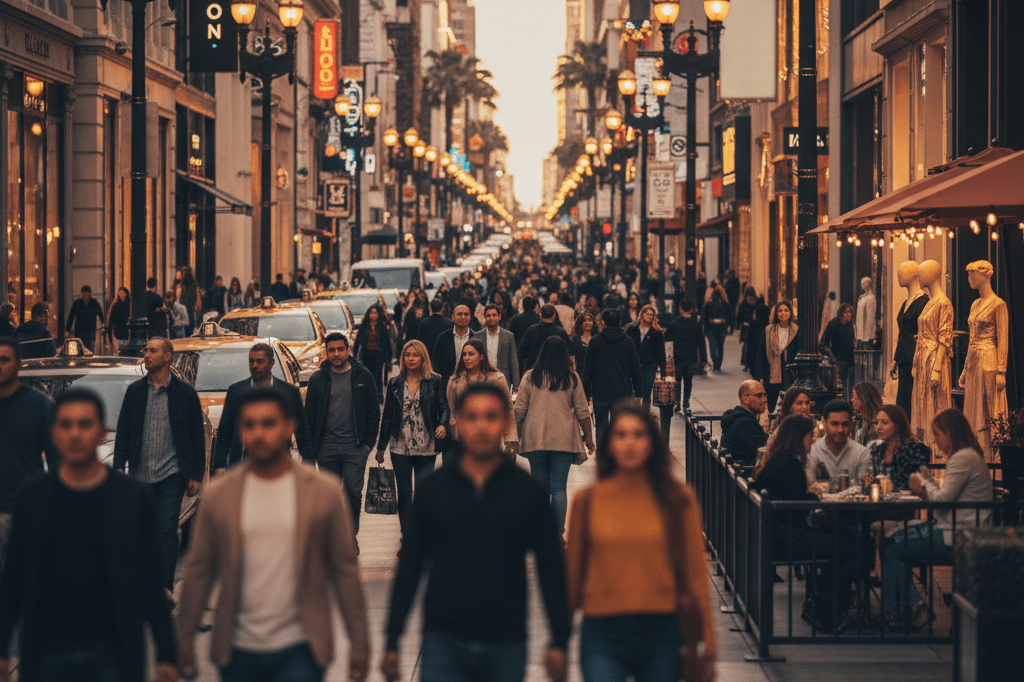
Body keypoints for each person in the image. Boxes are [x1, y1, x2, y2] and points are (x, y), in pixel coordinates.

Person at [380, 383, 570, 682]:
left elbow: (550, 568)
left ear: (506, 423)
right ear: (459, 423)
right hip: (443, 637)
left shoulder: (528, 493)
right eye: (472, 417)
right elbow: (411, 565)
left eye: (491, 416)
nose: (482, 426)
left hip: (506, 638)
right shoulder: (434, 490)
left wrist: (559, 639)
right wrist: (392, 639)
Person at [177, 387, 369, 682]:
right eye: (249, 425)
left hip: (301, 647)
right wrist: (184, 639)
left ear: (288, 428)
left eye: (268, 423)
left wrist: (359, 643)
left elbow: (344, 570)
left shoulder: (322, 492)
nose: (258, 434)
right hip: (237, 648)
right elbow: (200, 570)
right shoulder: (219, 495)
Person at [0, 389, 177, 682]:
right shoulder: (32, 498)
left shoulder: (132, 497)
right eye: (65, 425)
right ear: (54, 433)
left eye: (84, 424)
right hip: (46, 650)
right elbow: (14, 580)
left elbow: (150, 578)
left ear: (101, 431)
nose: (74, 434)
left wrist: (166, 654)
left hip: (112, 649)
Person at [566, 401, 716, 682]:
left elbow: (696, 576)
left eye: (639, 434)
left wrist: (708, 643)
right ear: (609, 443)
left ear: (652, 443)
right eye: (620, 435)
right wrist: (559, 642)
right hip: (602, 629)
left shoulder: (678, 500)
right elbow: (573, 575)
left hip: (661, 628)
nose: (629, 443)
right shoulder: (587, 501)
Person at [751, 414, 861, 634]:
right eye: (810, 436)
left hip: (778, 534)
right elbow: (799, 505)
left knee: (842, 543)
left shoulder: (777, 460)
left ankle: (822, 602)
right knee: (852, 553)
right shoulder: (790, 464)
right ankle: (821, 605)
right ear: (799, 437)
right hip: (788, 539)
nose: (812, 440)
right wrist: (814, 497)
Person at [884, 408, 992, 629]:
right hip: (956, 529)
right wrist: (928, 481)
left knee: (892, 550)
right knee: (892, 539)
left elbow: (942, 501)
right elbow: (945, 498)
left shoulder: (962, 459)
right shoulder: (967, 456)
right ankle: (899, 607)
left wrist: (923, 485)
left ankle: (914, 608)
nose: (934, 441)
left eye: (937, 434)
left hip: (958, 535)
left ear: (949, 433)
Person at [113, 337, 206, 592]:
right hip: (141, 473)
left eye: (153, 351)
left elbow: (196, 436)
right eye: (146, 351)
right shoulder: (135, 392)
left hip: (171, 473)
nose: (147, 355)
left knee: (167, 528)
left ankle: (163, 587)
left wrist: (195, 474)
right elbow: (124, 432)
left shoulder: (184, 393)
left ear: (167, 357)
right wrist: (119, 468)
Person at [515, 337, 595, 538]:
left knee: (540, 488)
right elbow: (583, 411)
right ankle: (557, 533)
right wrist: (589, 438)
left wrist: (513, 435)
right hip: (564, 439)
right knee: (559, 487)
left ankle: (540, 531)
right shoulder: (572, 378)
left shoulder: (530, 377)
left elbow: (519, 410)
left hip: (536, 438)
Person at [304, 333, 380, 540]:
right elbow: (308, 417)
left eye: (340, 349)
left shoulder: (363, 376)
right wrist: (311, 451)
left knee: (353, 493)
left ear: (348, 350)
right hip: (326, 447)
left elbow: (374, 411)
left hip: (354, 447)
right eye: (331, 350)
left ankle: (349, 536)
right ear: (326, 352)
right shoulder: (318, 379)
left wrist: (368, 444)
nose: (336, 354)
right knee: (328, 497)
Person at [374, 340, 449, 545]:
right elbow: (387, 415)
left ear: (423, 357)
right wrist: (381, 446)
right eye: (407, 355)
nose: (411, 359)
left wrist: (442, 424)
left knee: (424, 495)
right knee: (405, 494)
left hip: (426, 446)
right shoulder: (395, 383)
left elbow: (444, 407)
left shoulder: (435, 381)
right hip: (400, 447)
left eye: (415, 355)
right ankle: (408, 539)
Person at [0, 337, 57, 572]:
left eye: (4, 360)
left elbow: (56, 460)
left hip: (22, 514)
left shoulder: (40, 405)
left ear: (19, 364)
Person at [214, 342, 314, 473]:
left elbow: (302, 431)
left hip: (279, 466)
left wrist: (309, 462)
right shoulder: (236, 391)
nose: (254, 366)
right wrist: (220, 464)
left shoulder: (289, 392)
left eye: (260, 361)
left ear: (271, 363)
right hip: (242, 467)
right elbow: (225, 431)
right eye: (251, 361)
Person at [446, 339, 518, 461]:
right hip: (461, 437)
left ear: (481, 356)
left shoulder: (496, 378)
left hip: (490, 435)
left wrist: (510, 439)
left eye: (471, 354)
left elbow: (508, 410)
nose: (467, 358)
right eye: (464, 354)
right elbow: (452, 411)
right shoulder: (454, 381)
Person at [581, 308, 642, 430]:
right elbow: (635, 369)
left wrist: (586, 393)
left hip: (600, 393)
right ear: (619, 322)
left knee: (601, 428)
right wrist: (639, 393)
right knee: (620, 429)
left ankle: (602, 449)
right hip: (623, 393)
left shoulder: (595, 342)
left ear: (603, 322)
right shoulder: (628, 342)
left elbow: (588, 370)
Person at [804, 399, 872, 489]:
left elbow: (862, 488)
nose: (840, 430)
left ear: (851, 424)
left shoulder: (862, 454)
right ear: (824, 423)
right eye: (834, 424)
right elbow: (810, 488)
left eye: (845, 424)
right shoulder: (811, 452)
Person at [870, 405, 931, 490]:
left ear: (897, 426)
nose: (878, 427)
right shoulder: (878, 450)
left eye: (885, 422)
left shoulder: (915, 449)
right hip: (882, 500)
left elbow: (915, 483)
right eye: (876, 422)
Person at [754, 300, 799, 411]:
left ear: (790, 313)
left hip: (790, 374)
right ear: (776, 314)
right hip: (772, 374)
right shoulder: (768, 330)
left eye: (786, 310)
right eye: (780, 311)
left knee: (789, 405)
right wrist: (759, 376)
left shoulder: (796, 330)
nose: (783, 313)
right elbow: (761, 354)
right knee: (771, 405)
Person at [719, 380, 769, 468]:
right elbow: (766, 451)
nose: (765, 399)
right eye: (759, 395)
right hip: (743, 474)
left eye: (765, 395)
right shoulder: (745, 424)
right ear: (745, 399)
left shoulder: (739, 418)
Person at [665, 300, 704, 412]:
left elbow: (668, 341)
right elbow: (701, 343)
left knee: (676, 382)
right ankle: (686, 403)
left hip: (677, 358)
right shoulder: (696, 325)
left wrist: (667, 359)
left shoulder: (673, 324)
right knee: (688, 381)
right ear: (691, 310)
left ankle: (677, 402)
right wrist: (703, 359)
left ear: (680, 308)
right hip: (691, 358)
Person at [625, 304, 667, 407]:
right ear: (642, 314)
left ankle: (645, 418)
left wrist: (663, 372)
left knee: (646, 394)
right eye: (647, 314)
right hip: (633, 365)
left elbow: (661, 352)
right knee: (633, 393)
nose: (649, 316)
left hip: (649, 366)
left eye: (651, 315)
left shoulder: (656, 332)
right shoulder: (632, 329)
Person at [473, 303, 521, 392]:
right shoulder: (477, 336)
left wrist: (516, 386)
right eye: (488, 315)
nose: (491, 318)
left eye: (494, 315)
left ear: (499, 317)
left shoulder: (508, 336)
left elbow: (513, 362)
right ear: (485, 317)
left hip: (503, 381)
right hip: (482, 382)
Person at [352, 304, 392, 403]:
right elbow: (358, 341)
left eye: (375, 313)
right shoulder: (364, 326)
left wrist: (388, 359)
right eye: (371, 313)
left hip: (378, 355)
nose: (373, 315)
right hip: (367, 355)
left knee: (378, 376)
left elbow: (387, 343)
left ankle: (378, 395)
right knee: (367, 375)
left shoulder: (382, 327)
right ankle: (368, 396)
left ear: (378, 314)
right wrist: (355, 354)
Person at [518, 304, 571, 373]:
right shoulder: (561, 332)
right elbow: (569, 351)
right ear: (554, 315)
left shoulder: (532, 330)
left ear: (540, 314)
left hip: (535, 371)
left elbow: (521, 351)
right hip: (556, 371)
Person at [820, 303, 856, 401]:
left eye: (850, 312)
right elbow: (823, 343)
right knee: (836, 389)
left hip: (849, 361)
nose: (849, 314)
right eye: (846, 312)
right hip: (837, 361)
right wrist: (832, 357)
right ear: (841, 313)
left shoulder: (849, 325)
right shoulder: (833, 323)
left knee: (849, 389)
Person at [700, 288, 732, 373]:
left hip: (711, 328)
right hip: (721, 328)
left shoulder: (708, 305)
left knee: (713, 347)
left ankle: (716, 363)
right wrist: (726, 323)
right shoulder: (725, 304)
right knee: (720, 347)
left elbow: (703, 316)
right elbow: (730, 316)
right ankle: (717, 365)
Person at [66, 285, 104, 352]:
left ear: (90, 294)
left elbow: (101, 315)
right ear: (81, 294)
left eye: (88, 296)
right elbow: (71, 317)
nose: (86, 297)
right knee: (79, 350)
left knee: (90, 350)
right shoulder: (77, 303)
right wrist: (67, 330)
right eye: (84, 296)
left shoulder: (94, 303)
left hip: (90, 331)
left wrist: (103, 325)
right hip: (79, 331)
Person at [850, 381, 883, 446]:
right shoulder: (857, 420)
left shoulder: (875, 424)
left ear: (864, 400)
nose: (852, 400)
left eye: (855, 398)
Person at [178, 267, 200, 336]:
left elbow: (182, 296)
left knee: (185, 322)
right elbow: (195, 295)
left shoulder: (183, 283)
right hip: (191, 306)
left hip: (185, 305)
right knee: (191, 321)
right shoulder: (193, 283)